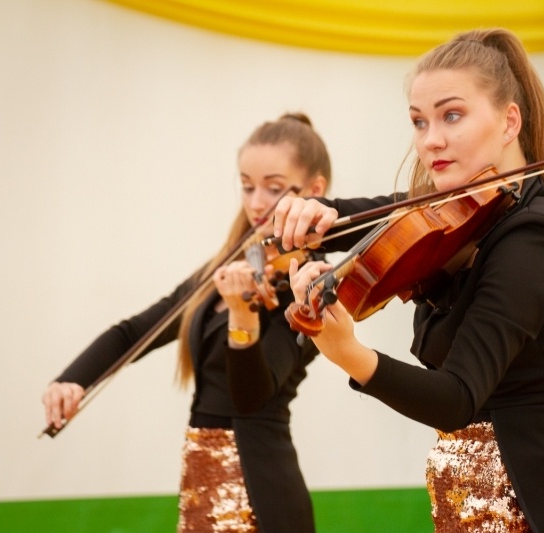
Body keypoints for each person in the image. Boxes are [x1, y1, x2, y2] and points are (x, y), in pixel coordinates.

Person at [272, 29, 544, 532]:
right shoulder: (467, 218)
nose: (431, 140)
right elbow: (381, 215)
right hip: (468, 512)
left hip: (531, 512)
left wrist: (349, 353)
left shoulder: (537, 236)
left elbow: (456, 398)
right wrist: (320, 214)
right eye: (418, 121)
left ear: (508, 121)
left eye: (452, 115)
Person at [42, 113, 331, 533]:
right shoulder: (224, 269)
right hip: (202, 480)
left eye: (273, 187)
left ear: (315, 191)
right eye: (247, 186)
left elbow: (251, 397)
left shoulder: (310, 284)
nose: (255, 202)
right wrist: (73, 380)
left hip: (260, 495)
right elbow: (136, 331)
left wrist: (242, 314)